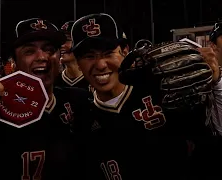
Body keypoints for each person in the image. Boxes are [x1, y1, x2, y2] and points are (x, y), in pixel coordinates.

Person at [70, 13, 220, 180]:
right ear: (78, 62)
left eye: (108, 53)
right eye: (89, 56)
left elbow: (212, 140)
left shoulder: (162, 91)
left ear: (125, 51)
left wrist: (215, 84)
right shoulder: (80, 120)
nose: (100, 64)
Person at [0, 18, 90, 180]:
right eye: (29, 51)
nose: (42, 57)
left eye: (49, 50)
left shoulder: (80, 101)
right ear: (14, 62)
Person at [54, 21, 90, 90]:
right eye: (59, 41)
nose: (61, 45)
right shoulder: (52, 81)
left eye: (67, 40)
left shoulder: (94, 81)